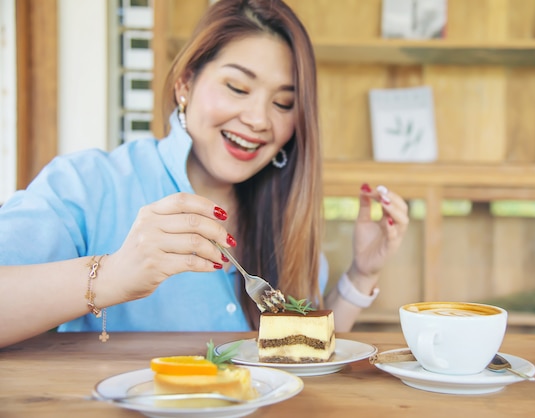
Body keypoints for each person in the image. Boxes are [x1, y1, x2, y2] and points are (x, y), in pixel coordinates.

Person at [0, 0, 409, 348]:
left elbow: (300, 352)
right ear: (185, 83)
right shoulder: (89, 184)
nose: (257, 119)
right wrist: (115, 275)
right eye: (237, 87)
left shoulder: (287, 224)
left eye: (283, 104)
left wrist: (361, 273)